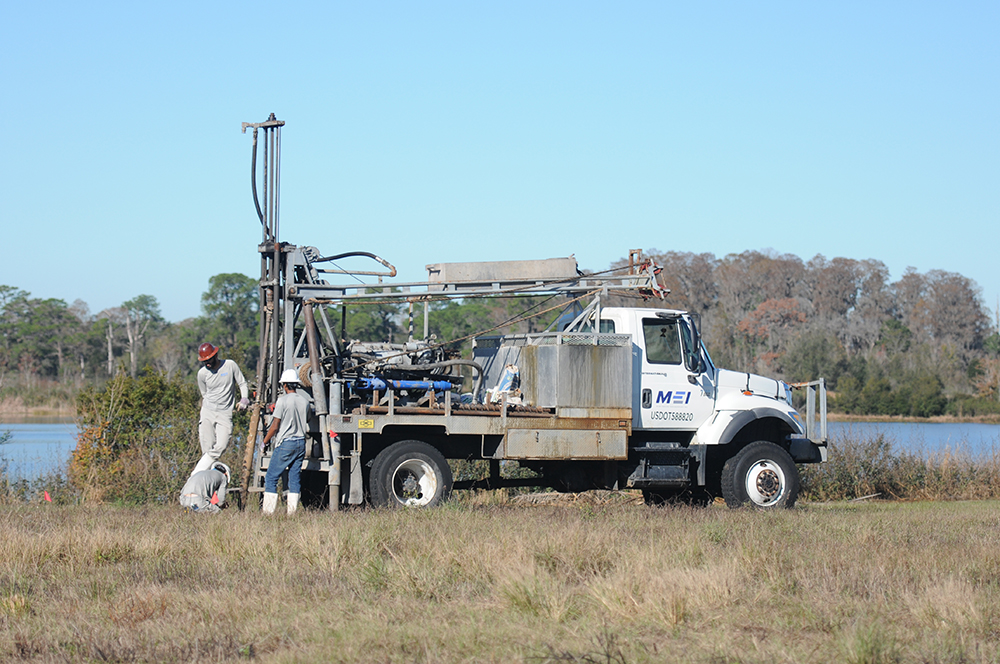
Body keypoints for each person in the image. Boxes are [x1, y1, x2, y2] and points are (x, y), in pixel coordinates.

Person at [193, 342, 249, 474]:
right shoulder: (202, 373)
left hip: (225, 412)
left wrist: (244, 399)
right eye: (204, 361)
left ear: (215, 355)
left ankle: (197, 472)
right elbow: (204, 393)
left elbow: (242, 383)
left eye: (209, 360)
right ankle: (205, 477)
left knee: (222, 445)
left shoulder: (230, 365)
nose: (207, 363)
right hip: (208, 411)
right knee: (207, 448)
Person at [261, 368, 311, 515]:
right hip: (301, 443)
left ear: (284, 385)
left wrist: (264, 441)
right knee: (294, 478)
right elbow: (307, 419)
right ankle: (291, 513)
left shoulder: (282, 401)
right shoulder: (304, 401)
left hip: (286, 443)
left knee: (271, 477)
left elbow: (275, 426)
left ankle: (268, 513)